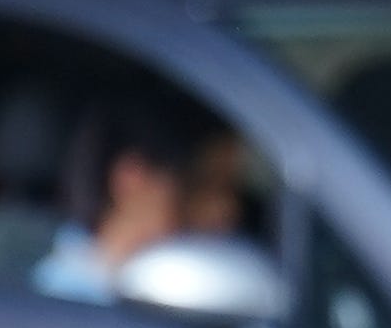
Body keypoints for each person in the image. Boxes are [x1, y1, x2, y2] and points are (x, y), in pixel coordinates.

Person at [31, 83, 253, 302]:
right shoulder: (64, 304)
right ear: (133, 178)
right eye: (201, 186)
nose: (226, 210)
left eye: (232, 189)